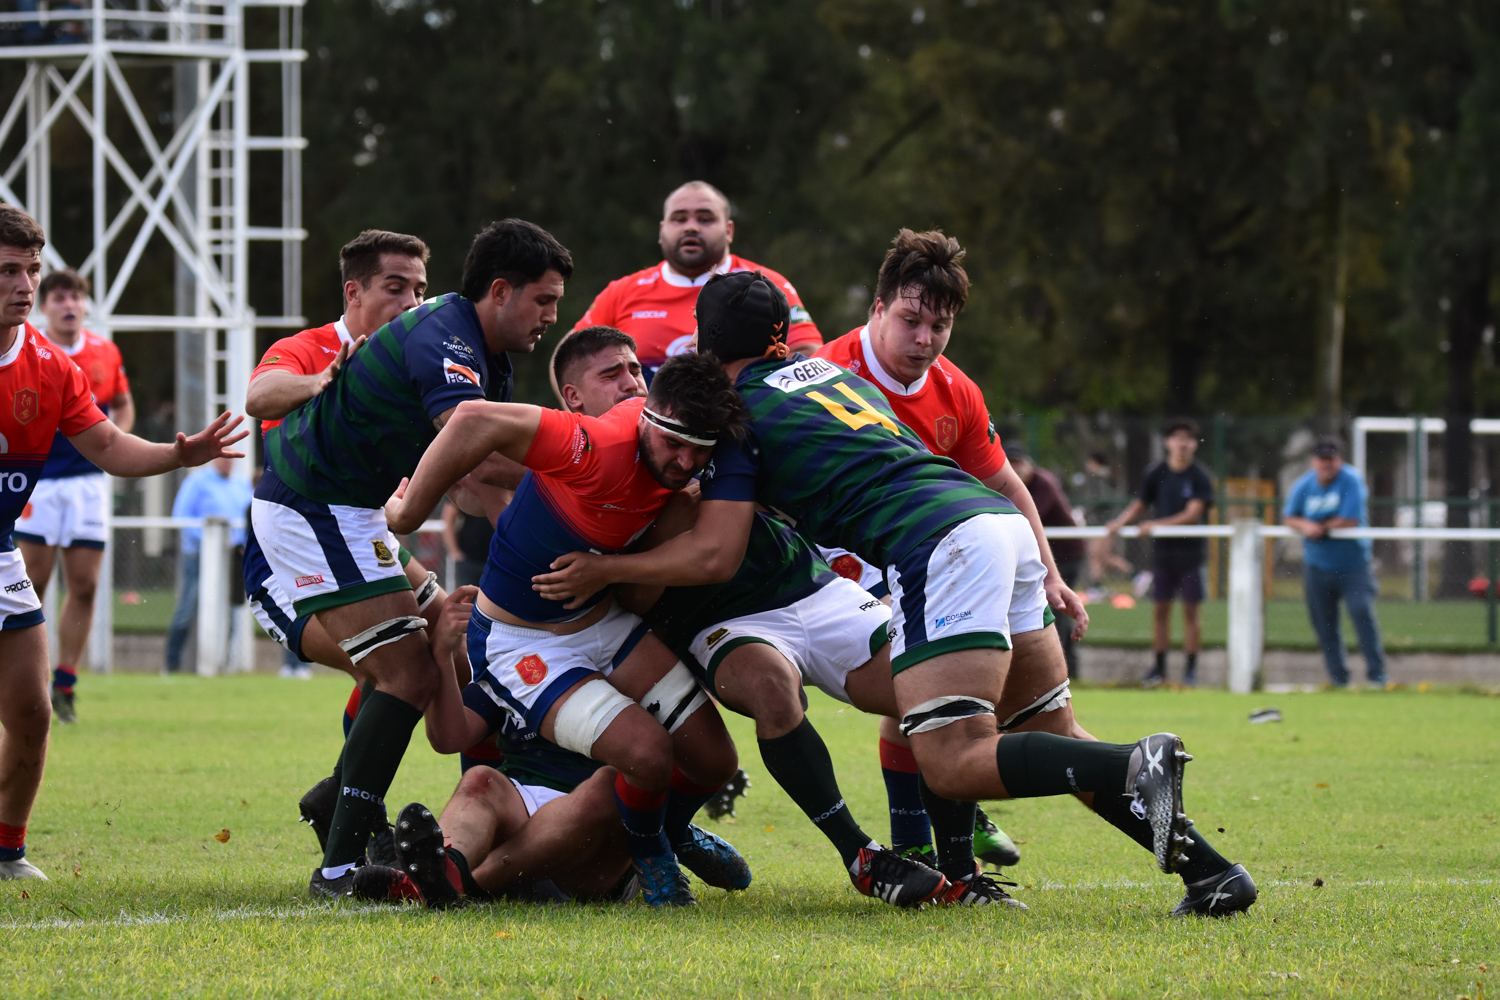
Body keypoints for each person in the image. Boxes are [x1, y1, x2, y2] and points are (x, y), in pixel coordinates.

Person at [532, 270, 1258, 917]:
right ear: (783, 336)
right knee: (1046, 729)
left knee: (949, 754)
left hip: (940, 548)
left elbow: (719, 550)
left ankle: (1136, 763)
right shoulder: (827, 374)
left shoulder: (734, 418)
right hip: (997, 529)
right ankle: (1210, 873)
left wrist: (606, 569)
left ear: (702, 338)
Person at [551, 326, 958, 908]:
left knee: (925, 687)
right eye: (610, 374)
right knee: (759, 695)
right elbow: (630, 600)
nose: (629, 383)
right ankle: (859, 855)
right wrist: (641, 556)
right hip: (716, 624)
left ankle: (956, 862)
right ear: (572, 397)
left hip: (807, 585)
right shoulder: (581, 474)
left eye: (633, 370)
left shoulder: (689, 414)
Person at [252, 219, 562, 899]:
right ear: (501, 292)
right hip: (313, 507)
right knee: (404, 672)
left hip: (352, 513)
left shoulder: (485, 350)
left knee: (449, 659)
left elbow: (482, 468)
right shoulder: (445, 340)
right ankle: (338, 866)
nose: (551, 316)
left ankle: (355, 807)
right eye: (544, 301)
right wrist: (584, 460)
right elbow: (469, 443)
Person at [384, 353, 750, 907]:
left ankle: (667, 835)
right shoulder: (596, 444)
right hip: (525, 643)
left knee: (716, 761)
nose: (686, 461)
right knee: (647, 755)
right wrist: (406, 513)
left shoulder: (688, 453)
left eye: (701, 450)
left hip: (602, 620)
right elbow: (474, 421)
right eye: (675, 442)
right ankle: (647, 859)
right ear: (648, 416)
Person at [816, 230, 1091, 872]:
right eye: (910, 320)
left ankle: (930, 831)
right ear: (876, 309)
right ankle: (946, 817)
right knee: (936, 688)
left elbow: (1003, 482)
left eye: (939, 327)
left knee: (948, 686)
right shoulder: (825, 377)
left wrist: (1050, 576)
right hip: (836, 567)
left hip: (923, 560)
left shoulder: (955, 391)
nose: (924, 340)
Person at [0, 203, 246, 881]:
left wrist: (181, 453)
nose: (24, 286)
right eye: (8, 272)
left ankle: (7, 850)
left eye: (31, 271)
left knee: (31, 709)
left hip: (1, 549)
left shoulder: (51, 366)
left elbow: (108, 443)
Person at [239, 229, 472, 859]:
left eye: (421, 289)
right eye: (395, 288)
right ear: (355, 291)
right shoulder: (312, 347)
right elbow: (258, 395)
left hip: (362, 536)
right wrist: (319, 381)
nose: (411, 302)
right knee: (400, 667)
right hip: (286, 560)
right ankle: (349, 842)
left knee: (459, 645)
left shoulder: (418, 357)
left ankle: (345, 799)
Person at [13, 269, 134, 722]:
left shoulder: (104, 351)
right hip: (37, 479)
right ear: (45, 306)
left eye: (76, 297)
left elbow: (122, 403)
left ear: (85, 305)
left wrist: (116, 441)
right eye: (60, 297)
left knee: (85, 584)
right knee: (32, 584)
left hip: (88, 482)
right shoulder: (26, 348)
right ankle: (25, 679)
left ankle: (64, 683)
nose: (69, 305)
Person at [571, 181, 821, 381]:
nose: (691, 228)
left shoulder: (765, 285)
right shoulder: (622, 292)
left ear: (729, 230)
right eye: (679, 219)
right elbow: (570, 358)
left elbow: (809, 355)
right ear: (662, 230)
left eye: (705, 219)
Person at [1107, 419, 1215, 687]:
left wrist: (1156, 525)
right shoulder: (1157, 472)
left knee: (1191, 613)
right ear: (1168, 442)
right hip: (1163, 554)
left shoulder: (1200, 476)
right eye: (1177, 437)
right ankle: (1159, 668)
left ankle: (1190, 671)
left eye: (1188, 438)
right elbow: (1140, 503)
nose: (1182, 443)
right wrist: (1119, 524)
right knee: (1160, 611)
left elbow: (1193, 514)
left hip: (1190, 554)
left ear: (1194, 444)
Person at [1283, 436, 1387, 688]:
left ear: (1339, 460)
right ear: (1314, 462)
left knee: (1361, 613)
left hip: (1353, 565)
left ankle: (1377, 676)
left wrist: (1321, 528)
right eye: (1321, 459)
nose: (1326, 465)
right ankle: (1338, 678)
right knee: (1324, 624)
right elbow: (1289, 516)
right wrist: (1306, 525)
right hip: (1317, 566)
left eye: (1331, 459)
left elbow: (1349, 519)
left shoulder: (1351, 480)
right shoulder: (1304, 484)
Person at [163, 456, 253, 673]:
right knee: (188, 607)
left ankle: (226, 663)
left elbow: (249, 519)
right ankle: (171, 664)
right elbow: (181, 517)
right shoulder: (197, 482)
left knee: (233, 607)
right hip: (199, 556)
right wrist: (208, 540)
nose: (228, 461)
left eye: (232, 457)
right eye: (224, 456)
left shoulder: (242, 484)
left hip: (233, 557)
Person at [1008, 448, 1086, 678]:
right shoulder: (1011, 483)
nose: (1015, 469)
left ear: (1029, 464)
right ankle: (1068, 670)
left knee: (1056, 611)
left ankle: (1057, 671)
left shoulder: (1043, 483)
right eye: (1010, 464)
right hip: (1045, 557)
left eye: (1019, 463)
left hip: (1065, 555)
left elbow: (1028, 515)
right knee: (1056, 614)